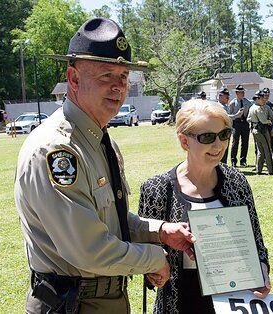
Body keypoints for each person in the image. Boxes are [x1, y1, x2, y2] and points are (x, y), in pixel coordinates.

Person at [14, 17, 196, 314]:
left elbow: (114, 221)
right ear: (73, 79)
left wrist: (161, 231)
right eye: (106, 75)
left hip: (104, 300)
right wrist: (153, 257)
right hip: (71, 303)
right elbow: (90, 250)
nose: (118, 87)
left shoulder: (100, 141)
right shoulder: (57, 150)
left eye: (123, 77)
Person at [139, 99, 270, 313]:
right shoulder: (156, 189)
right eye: (207, 137)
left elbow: (256, 243)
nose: (218, 146)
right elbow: (146, 254)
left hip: (231, 300)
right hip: (179, 302)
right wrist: (152, 271)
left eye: (224, 135)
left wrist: (262, 270)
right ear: (184, 141)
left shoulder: (237, 182)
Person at [247, 90, 273, 175]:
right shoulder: (258, 108)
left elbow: (248, 119)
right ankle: (271, 170)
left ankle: (258, 170)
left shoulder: (252, 107)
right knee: (267, 149)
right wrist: (269, 122)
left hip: (255, 130)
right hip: (261, 130)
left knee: (260, 150)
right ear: (258, 98)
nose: (264, 99)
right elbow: (263, 121)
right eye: (262, 98)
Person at [229, 84, 252, 167]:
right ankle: (233, 161)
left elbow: (252, 110)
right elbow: (230, 115)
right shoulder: (232, 103)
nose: (242, 94)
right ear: (236, 93)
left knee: (245, 142)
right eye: (240, 92)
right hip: (237, 124)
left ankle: (243, 160)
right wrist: (237, 114)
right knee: (235, 142)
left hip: (245, 123)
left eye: (243, 92)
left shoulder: (247, 102)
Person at [217, 87, 231, 163]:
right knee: (221, 149)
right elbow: (226, 117)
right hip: (221, 131)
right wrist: (236, 115)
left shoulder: (226, 106)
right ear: (220, 96)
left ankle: (223, 165)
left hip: (226, 130)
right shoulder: (219, 107)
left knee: (225, 149)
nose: (228, 99)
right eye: (226, 97)